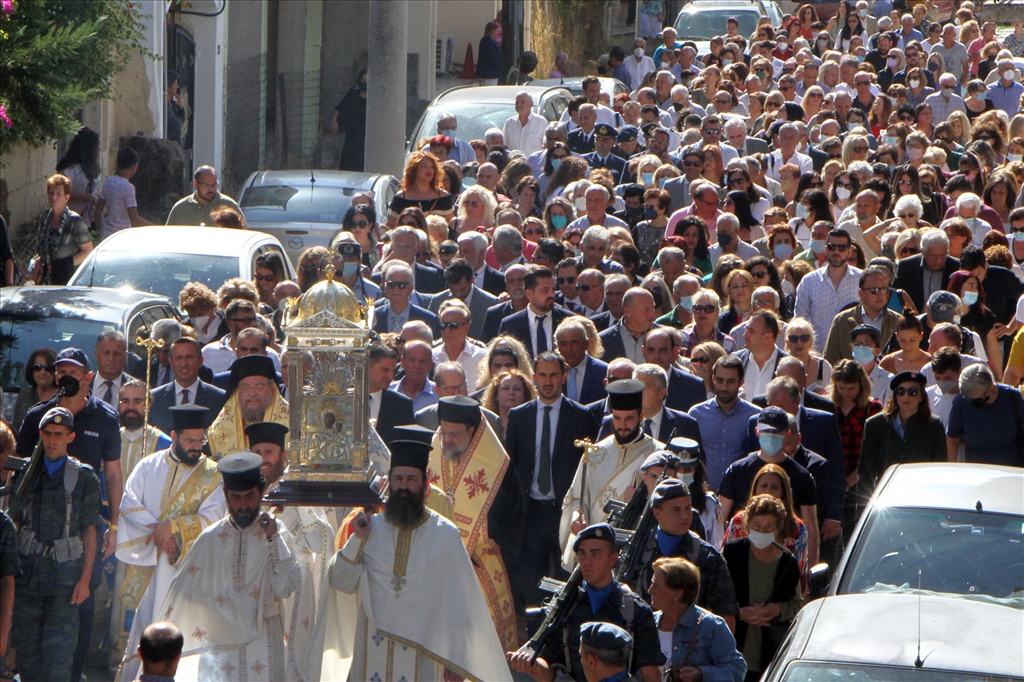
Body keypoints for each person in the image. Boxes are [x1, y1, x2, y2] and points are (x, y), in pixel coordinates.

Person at [307, 439, 512, 681]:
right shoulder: (370, 529)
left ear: (425, 486)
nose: (403, 486)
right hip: (371, 653)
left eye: (411, 480)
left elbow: (460, 601)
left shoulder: (445, 534)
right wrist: (357, 540)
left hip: (422, 652)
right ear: (389, 484)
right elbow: (341, 582)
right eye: (398, 479)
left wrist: (457, 661)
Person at [150, 452, 299, 681]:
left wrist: (273, 538)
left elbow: (286, 586)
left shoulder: (276, 534)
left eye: (249, 496)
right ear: (226, 496)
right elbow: (182, 593)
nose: (243, 505)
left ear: (260, 494)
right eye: (235, 497)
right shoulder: (211, 538)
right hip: (219, 645)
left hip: (264, 640)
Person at [115, 405, 226, 681]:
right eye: (190, 440)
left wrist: (175, 529)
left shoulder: (214, 476)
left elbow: (213, 517)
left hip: (187, 572)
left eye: (200, 440)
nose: (196, 447)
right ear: (174, 436)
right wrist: (159, 533)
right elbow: (128, 505)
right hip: (152, 566)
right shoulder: (148, 466)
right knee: (148, 623)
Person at [8, 407, 102, 682]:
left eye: (59, 435)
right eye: (48, 434)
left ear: (70, 436)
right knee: (27, 656)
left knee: (59, 657)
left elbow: (90, 531)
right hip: (28, 577)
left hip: (65, 579)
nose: (52, 440)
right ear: (40, 435)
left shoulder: (84, 477)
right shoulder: (25, 474)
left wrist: (85, 580)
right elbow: (12, 522)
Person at [507, 522, 665, 682]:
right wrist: (532, 665)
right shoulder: (564, 607)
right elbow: (549, 669)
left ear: (613, 559)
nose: (587, 561)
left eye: (596, 554)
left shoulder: (636, 610)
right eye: (582, 554)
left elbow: (651, 674)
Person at [427, 396, 522, 649]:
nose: (446, 439)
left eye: (454, 434)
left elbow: (513, 522)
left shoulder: (498, 468)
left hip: (481, 563)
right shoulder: (431, 456)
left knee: (480, 645)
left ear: (473, 431)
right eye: (443, 431)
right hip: (434, 565)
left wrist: (485, 545)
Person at [246, 421, 336, 678]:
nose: (263, 460)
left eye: (269, 452)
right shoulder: (243, 490)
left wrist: (297, 500)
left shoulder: (297, 488)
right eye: (258, 452)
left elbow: (321, 539)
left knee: (288, 661)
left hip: (293, 588)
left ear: (284, 456)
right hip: (254, 585)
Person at [504, 351, 592, 607]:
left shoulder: (581, 416)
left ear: (564, 376)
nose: (548, 381)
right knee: (533, 584)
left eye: (554, 374)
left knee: (567, 577)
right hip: (531, 513)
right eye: (542, 375)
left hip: (564, 511)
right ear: (533, 378)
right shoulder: (520, 417)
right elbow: (513, 467)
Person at [560, 379, 661, 552]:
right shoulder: (594, 452)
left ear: (641, 416)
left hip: (637, 548)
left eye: (629, 418)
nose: (622, 425)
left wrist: (642, 501)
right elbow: (576, 497)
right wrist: (577, 518)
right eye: (617, 418)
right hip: (595, 548)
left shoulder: (658, 454)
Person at [632, 479, 739, 630]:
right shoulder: (637, 551)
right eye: (675, 510)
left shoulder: (708, 558)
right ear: (657, 513)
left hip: (691, 646)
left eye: (687, 508)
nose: (684, 515)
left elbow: (726, 617)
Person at [722, 494, 803, 682]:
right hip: (734, 648)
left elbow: (798, 604)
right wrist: (737, 613)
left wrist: (777, 610)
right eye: (757, 526)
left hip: (769, 650)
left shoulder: (787, 562)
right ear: (747, 525)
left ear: (777, 529)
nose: (761, 531)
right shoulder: (732, 553)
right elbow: (714, 597)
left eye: (768, 527)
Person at [649, 557, 746, 682]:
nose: (650, 590)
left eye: (656, 585)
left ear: (677, 593)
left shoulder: (710, 625)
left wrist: (701, 674)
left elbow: (737, 669)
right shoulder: (648, 624)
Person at [857, 371, 946, 505]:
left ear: (922, 396)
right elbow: (866, 473)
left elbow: (939, 469)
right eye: (901, 391)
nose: (906, 396)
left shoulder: (934, 425)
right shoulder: (875, 424)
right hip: (885, 498)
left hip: (921, 499)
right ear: (895, 395)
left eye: (913, 392)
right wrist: (862, 513)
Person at [207, 355, 288, 459]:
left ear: (271, 389)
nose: (252, 393)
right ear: (238, 393)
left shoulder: (292, 425)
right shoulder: (217, 431)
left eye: (259, 387)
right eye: (246, 388)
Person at [947, 362, 1024, 466]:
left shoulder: (1012, 397)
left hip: (1011, 469)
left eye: (977, 400)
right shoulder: (961, 402)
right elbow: (952, 439)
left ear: (990, 388)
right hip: (978, 471)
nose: (972, 403)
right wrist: (951, 468)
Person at [29, 174, 93, 285]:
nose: (54, 197)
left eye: (59, 193)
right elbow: (40, 249)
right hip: (46, 281)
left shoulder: (74, 221)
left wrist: (64, 265)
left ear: (67, 197)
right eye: (51, 193)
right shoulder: (45, 218)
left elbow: (88, 251)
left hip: (68, 280)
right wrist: (39, 261)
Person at [100, 147, 151, 238]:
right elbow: (134, 219)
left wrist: (101, 230)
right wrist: (156, 227)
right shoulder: (128, 187)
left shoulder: (108, 181)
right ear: (134, 166)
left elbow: (97, 210)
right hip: (121, 236)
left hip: (106, 235)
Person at [166, 165, 242, 225]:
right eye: (206, 185)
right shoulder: (180, 208)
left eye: (214, 184)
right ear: (196, 184)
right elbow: (168, 237)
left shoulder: (229, 206)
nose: (211, 189)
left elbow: (243, 234)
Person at [330, 68, 367, 171]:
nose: (364, 83)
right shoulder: (353, 94)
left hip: (366, 136)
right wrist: (334, 121)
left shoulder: (375, 98)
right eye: (363, 80)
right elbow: (340, 107)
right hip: (352, 134)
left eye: (367, 81)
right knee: (348, 161)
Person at [12, 347, 58, 430]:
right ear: (31, 370)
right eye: (37, 367)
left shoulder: (64, 397)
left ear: (56, 371)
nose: (42, 372)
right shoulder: (24, 394)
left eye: (48, 367)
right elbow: (15, 429)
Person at [476, 21, 503, 85]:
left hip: (488, 72)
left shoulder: (487, 41)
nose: (497, 32)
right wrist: (500, 64)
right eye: (496, 30)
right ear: (492, 31)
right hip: (489, 74)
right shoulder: (488, 42)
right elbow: (492, 57)